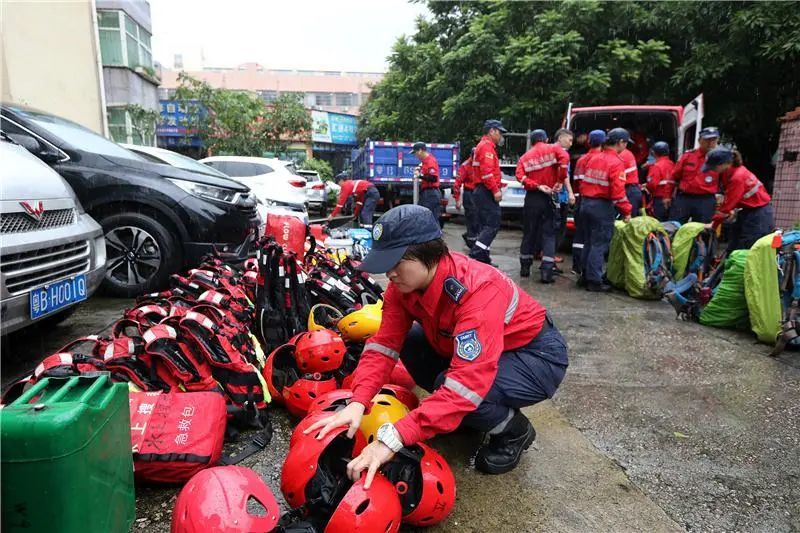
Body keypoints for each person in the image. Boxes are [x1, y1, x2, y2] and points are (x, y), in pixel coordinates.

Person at [304, 205, 568, 482]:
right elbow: (383, 344)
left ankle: (514, 430)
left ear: (427, 255)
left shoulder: (478, 291)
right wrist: (357, 401)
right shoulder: (402, 287)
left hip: (535, 357)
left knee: (455, 389)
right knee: (412, 342)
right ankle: (463, 415)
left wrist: (391, 439)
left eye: (396, 263)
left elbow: (466, 383)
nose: (389, 274)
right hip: (486, 351)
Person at [577, 128, 632, 292]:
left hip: (586, 203)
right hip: (601, 207)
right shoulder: (616, 162)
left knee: (588, 242)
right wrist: (626, 211)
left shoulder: (594, 158)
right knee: (599, 244)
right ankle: (594, 281)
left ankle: (585, 276)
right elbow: (618, 192)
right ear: (620, 142)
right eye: (626, 143)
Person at [515, 129, 569, 282]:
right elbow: (564, 158)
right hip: (549, 196)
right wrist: (560, 180)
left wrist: (537, 186)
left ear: (531, 142)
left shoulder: (525, 157)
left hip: (532, 197)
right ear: (546, 139)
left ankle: (525, 267)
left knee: (529, 232)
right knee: (549, 234)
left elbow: (519, 176)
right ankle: (546, 271)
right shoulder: (553, 149)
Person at [703, 148, 774, 250]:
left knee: (746, 249)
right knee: (733, 246)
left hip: (758, 216)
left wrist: (713, 225)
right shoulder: (731, 172)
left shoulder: (737, 177)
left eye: (713, 167)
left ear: (724, 164)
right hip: (748, 212)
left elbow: (726, 207)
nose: (712, 170)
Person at [469, 119, 506, 265]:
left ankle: (483, 258)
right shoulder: (486, 147)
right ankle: (476, 254)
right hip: (486, 191)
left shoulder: (484, 146)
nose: (501, 136)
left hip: (482, 190)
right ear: (492, 131)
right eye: (500, 132)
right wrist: (495, 190)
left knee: (486, 225)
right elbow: (486, 173)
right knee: (493, 224)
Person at [570, 129, 606, 275]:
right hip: (598, 202)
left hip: (581, 200)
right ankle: (591, 271)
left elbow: (576, 182)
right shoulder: (603, 159)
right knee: (595, 238)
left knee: (580, 234)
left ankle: (577, 266)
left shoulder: (581, 160)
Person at [669, 127, 721, 223]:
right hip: (684, 198)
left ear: (717, 141)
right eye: (707, 140)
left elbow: (727, 182)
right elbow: (674, 177)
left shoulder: (720, 161)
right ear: (699, 140)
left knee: (703, 230)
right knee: (674, 227)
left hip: (705, 200)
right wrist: (666, 196)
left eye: (713, 140)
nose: (710, 143)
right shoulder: (688, 156)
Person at [553, 129, 576, 264]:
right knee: (559, 227)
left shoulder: (548, 151)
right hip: (560, 196)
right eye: (569, 140)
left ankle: (542, 252)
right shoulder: (562, 154)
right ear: (560, 138)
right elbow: (564, 175)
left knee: (549, 225)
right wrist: (571, 193)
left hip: (549, 194)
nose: (571, 143)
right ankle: (551, 254)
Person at [410, 142, 443, 222]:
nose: (416, 155)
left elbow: (433, 178)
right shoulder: (424, 161)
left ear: (420, 150)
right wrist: (419, 169)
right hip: (427, 192)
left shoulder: (430, 161)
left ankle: (435, 234)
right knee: (424, 216)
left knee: (430, 218)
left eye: (416, 153)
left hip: (431, 193)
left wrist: (419, 175)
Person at [454, 148, 480, 248]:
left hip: (479, 194)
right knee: (472, 219)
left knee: (479, 220)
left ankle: (471, 237)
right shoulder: (465, 166)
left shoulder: (480, 164)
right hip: (470, 194)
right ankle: (471, 242)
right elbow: (457, 184)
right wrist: (457, 200)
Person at [644, 142, 675, 221]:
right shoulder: (672, 164)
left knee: (659, 222)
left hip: (659, 200)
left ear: (653, 153)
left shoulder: (656, 166)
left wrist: (645, 186)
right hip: (671, 198)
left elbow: (652, 184)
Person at [619, 136, 642, 216]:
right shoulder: (628, 153)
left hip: (628, 191)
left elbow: (619, 179)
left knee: (627, 221)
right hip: (633, 190)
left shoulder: (621, 155)